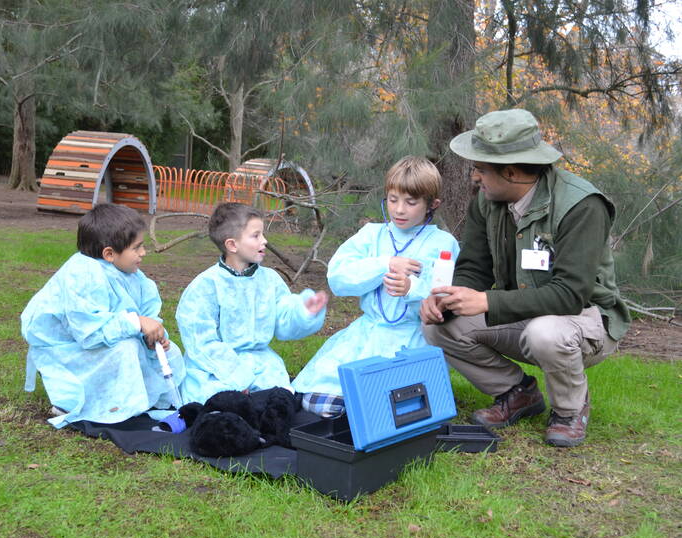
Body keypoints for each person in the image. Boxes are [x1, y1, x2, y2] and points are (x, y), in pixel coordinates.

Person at [421, 109, 630, 447]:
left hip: (586, 321)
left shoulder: (581, 206)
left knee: (545, 333)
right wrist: (448, 298)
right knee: (439, 325)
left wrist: (486, 301)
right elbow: (475, 267)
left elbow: (569, 295)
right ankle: (517, 393)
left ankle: (570, 409)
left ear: (513, 172)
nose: (475, 177)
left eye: (481, 168)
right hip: (524, 314)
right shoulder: (487, 201)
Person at [292, 156, 460, 417]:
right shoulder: (372, 234)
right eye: (393, 199)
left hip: (412, 338)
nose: (399, 210)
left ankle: (367, 412)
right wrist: (386, 264)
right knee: (317, 399)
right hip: (367, 334)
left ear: (432, 205)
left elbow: (441, 295)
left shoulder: (443, 242)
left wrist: (411, 288)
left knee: (392, 405)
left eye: (411, 202)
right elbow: (338, 277)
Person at [21, 203, 185, 429]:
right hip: (68, 348)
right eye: (137, 248)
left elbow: (146, 310)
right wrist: (136, 323)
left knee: (171, 353)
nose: (143, 253)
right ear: (109, 253)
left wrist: (153, 334)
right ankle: (78, 400)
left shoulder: (131, 274)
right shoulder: (83, 274)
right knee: (126, 350)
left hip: (111, 337)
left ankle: (144, 400)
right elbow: (89, 332)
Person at [175, 202, 328, 405]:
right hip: (216, 367)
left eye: (262, 234)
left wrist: (303, 311)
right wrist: (236, 376)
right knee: (220, 403)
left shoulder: (269, 280)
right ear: (232, 245)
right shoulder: (205, 286)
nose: (264, 241)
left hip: (262, 363)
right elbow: (200, 341)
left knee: (279, 400)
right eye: (256, 236)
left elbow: (283, 319)